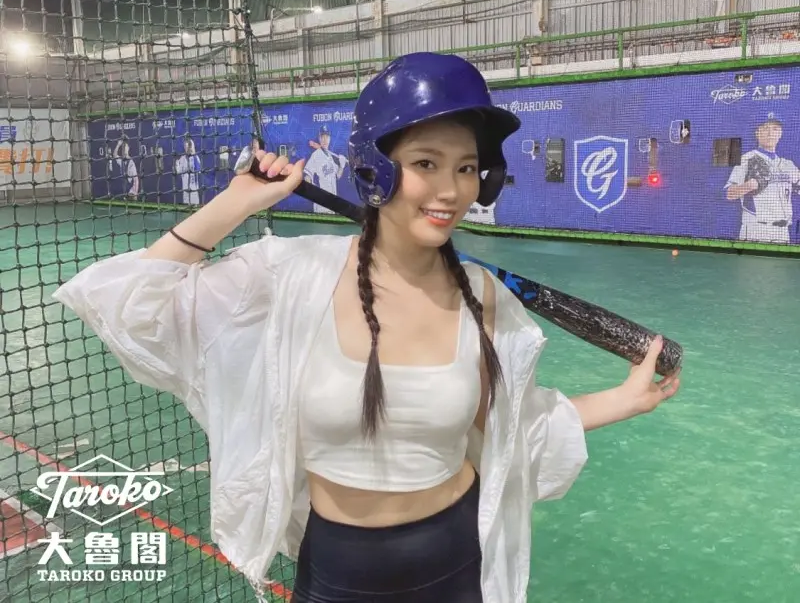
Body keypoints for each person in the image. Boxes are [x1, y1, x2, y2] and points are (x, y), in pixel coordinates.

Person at [52, 52, 680, 603]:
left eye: (466, 168)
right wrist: (236, 202)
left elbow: (512, 428)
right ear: (375, 168)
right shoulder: (290, 278)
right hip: (338, 571)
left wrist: (625, 399)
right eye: (427, 162)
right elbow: (130, 303)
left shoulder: (483, 298)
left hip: (457, 561)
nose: (451, 190)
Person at [724, 113, 800, 244]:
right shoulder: (747, 159)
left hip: (782, 231)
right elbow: (729, 194)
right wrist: (749, 185)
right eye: (765, 128)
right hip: (756, 229)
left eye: (775, 129)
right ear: (757, 133)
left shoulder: (788, 165)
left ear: (780, 134)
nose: (770, 133)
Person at [303, 125, 349, 214]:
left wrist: (341, 166)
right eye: (322, 137)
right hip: (322, 204)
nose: (324, 140)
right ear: (319, 138)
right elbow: (307, 176)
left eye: (327, 137)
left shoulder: (331, 157)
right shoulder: (315, 155)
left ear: (330, 139)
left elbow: (338, 176)